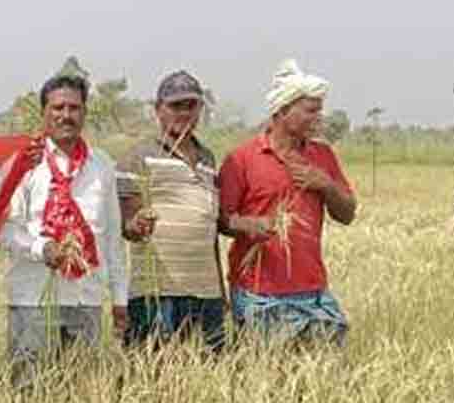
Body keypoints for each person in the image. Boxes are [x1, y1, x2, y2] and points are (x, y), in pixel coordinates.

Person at [218, 59, 357, 346]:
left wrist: (325, 185)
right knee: (268, 375)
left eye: (320, 110)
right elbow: (220, 219)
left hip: (312, 288)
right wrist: (247, 224)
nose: (318, 118)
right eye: (310, 110)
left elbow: (347, 214)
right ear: (282, 110)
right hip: (259, 290)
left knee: (324, 370)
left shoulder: (323, 156)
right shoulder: (242, 159)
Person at [0, 75, 126, 386]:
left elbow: (111, 237)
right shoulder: (24, 162)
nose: (65, 115)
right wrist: (43, 249)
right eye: (58, 108)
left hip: (87, 298)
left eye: (74, 108)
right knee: (29, 393)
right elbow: (4, 231)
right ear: (44, 113)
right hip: (33, 298)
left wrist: (119, 297)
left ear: (85, 113)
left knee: (82, 393)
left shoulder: (102, 166)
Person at [119, 70, 226, 353]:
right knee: (152, 373)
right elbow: (127, 225)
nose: (184, 113)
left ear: (200, 109)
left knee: (208, 374)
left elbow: (210, 229)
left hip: (205, 290)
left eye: (191, 106)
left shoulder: (208, 158)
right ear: (158, 110)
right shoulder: (138, 156)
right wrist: (138, 223)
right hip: (157, 292)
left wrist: (221, 290)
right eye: (175, 106)